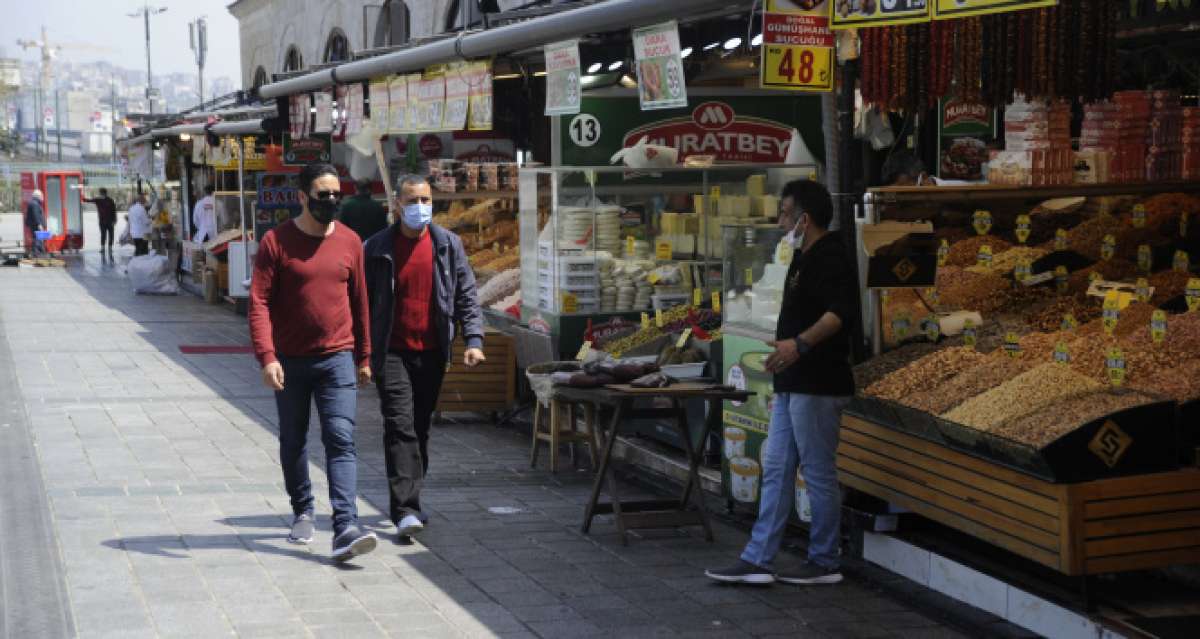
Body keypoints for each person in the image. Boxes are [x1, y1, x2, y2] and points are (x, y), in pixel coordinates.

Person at [706, 180, 857, 586]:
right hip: (793, 380)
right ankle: (758, 558)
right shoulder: (802, 256)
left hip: (818, 382)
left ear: (804, 219)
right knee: (775, 467)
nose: (780, 220)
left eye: (785, 213)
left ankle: (825, 560)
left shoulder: (831, 257)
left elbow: (840, 314)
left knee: (817, 471)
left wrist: (799, 345)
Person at [248, 162, 377, 562]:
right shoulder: (276, 242)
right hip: (290, 361)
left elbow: (361, 302)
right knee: (293, 440)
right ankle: (303, 508)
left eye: (337, 193)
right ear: (303, 196)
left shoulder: (352, 242)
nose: (332, 201)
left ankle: (345, 526)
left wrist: (365, 355)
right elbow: (259, 302)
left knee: (340, 439)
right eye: (323, 195)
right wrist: (267, 356)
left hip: (337, 357)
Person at [363, 174, 484, 539]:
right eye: (413, 201)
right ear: (397, 205)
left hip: (432, 351)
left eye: (426, 200)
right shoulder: (377, 248)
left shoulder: (448, 245)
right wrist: (362, 352)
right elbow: (361, 302)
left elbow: (466, 293)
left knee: (419, 428)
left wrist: (474, 339)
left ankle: (411, 495)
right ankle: (405, 509)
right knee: (399, 426)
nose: (420, 207)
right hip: (393, 350)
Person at [84, 188, 118, 256]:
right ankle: (105, 248)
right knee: (105, 235)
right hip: (105, 221)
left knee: (109, 235)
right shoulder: (99, 200)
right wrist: (82, 197)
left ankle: (108, 248)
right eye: (101, 193)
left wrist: (114, 220)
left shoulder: (109, 200)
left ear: (104, 193)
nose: (101, 194)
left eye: (101, 193)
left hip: (107, 221)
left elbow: (114, 210)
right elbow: (88, 200)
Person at [25, 189, 46, 258]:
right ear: (38, 196)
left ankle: (39, 252)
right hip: (36, 225)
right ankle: (37, 254)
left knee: (38, 238)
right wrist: (39, 224)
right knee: (37, 239)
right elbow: (36, 215)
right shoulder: (35, 204)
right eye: (41, 196)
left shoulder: (33, 203)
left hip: (34, 225)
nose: (42, 197)